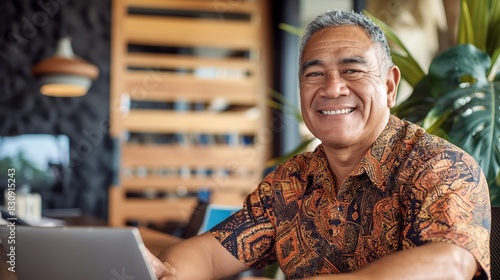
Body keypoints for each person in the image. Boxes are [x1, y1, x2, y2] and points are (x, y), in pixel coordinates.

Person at [148, 10, 491, 280]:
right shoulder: (291, 183)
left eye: (352, 70)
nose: (332, 88)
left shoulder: (439, 166)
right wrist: (170, 272)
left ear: (389, 86)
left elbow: (449, 265)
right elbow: (210, 254)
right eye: (314, 74)